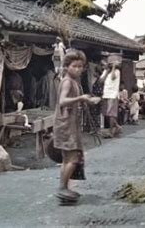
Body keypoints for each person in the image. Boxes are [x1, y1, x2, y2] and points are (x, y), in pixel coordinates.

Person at [53, 50, 99, 202]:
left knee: (67, 159)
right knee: (73, 158)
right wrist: (81, 98)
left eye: (80, 67)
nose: (78, 69)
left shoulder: (73, 81)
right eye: (74, 66)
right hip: (66, 125)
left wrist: (85, 100)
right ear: (66, 67)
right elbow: (62, 101)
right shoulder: (67, 82)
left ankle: (64, 188)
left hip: (67, 122)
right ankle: (62, 188)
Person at [101, 62, 122, 137]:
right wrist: (106, 71)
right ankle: (117, 126)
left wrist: (113, 68)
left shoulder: (117, 71)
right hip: (106, 94)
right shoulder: (105, 71)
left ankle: (111, 130)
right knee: (107, 113)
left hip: (113, 95)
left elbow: (113, 77)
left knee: (111, 114)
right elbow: (101, 80)